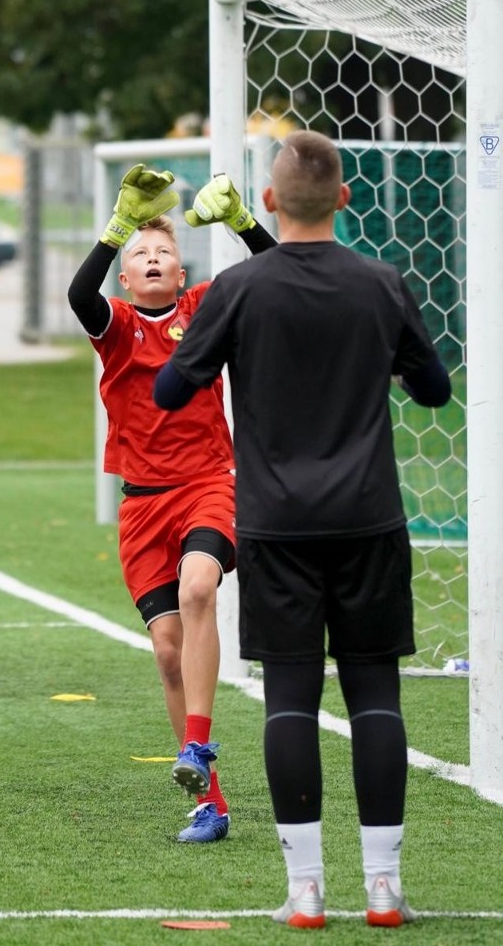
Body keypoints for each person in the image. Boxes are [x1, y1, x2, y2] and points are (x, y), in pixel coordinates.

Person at [154, 130, 451, 926]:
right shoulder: (382, 283)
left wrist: (205, 349)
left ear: (273, 201)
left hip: (278, 526)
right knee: (375, 695)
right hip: (369, 520)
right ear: (345, 199)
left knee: (290, 696)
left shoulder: (240, 289)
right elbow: (432, 389)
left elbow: (170, 391)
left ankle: (306, 891)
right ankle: (384, 888)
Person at [67, 164, 276, 843]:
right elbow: (78, 292)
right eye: (140, 256)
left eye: (164, 252)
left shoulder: (202, 311)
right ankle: (209, 803)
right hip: (142, 508)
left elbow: (277, 278)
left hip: (209, 486)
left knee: (198, 590)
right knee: (165, 651)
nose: (153, 258)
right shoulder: (117, 325)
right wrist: (117, 227)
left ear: (182, 276)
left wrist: (243, 223)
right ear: (125, 279)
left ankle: (197, 745)